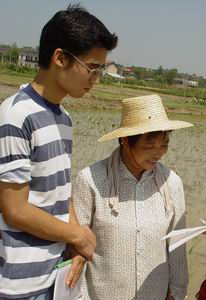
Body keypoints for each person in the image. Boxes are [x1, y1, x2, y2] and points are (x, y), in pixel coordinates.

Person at [0, 5, 117, 299]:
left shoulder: (64, 118)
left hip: (55, 276)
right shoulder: (16, 116)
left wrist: (75, 244)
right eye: (92, 67)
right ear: (60, 58)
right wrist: (77, 234)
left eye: (100, 69)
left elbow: (60, 193)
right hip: (20, 286)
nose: (96, 78)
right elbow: (15, 210)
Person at [72, 94, 191, 299]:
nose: (158, 153)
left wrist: (177, 292)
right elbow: (75, 249)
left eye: (164, 144)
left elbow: (177, 246)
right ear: (125, 141)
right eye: (149, 146)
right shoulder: (91, 180)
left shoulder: (171, 183)